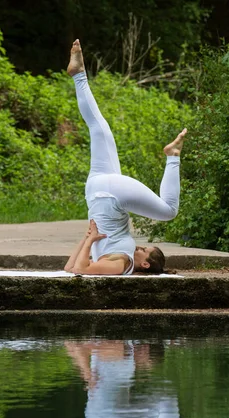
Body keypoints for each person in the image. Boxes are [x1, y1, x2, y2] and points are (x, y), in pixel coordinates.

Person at [64, 39, 187, 275]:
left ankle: (173, 156)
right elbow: (72, 268)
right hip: (100, 191)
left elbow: (76, 271)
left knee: (169, 211)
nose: (139, 245)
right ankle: (79, 75)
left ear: (145, 264)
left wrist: (88, 240)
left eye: (144, 250)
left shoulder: (121, 263)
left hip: (109, 195)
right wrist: (89, 239)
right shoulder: (119, 258)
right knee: (100, 129)